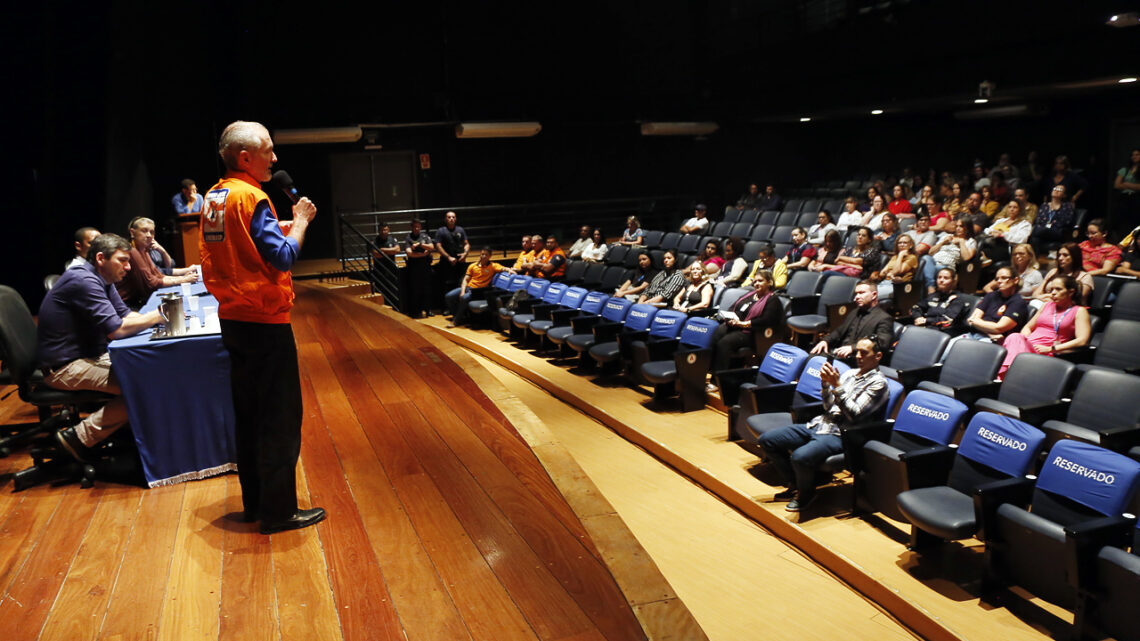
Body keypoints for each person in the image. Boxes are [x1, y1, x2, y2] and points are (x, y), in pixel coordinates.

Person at [199, 120, 325, 535]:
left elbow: (241, 248)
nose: (275, 158)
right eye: (268, 150)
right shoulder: (253, 197)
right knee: (279, 418)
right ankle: (278, 513)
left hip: (232, 318)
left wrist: (279, 230)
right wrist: (301, 221)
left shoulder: (215, 196)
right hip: (265, 322)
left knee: (249, 415)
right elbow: (283, 259)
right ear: (245, 157)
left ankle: (254, 503)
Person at [38, 233, 165, 460]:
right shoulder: (83, 281)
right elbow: (117, 330)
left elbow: (125, 315)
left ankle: (127, 431)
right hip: (63, 367)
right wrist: (159, 316)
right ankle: (76, 438)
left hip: (89, 356)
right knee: (145, 387)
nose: (128, 267)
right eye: (122, 260)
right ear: (100, 258)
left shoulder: (102, 278)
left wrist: (154, 318)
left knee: (153, 374)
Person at [759, 337, 888, 512]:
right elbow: (829, 406)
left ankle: (806, 494)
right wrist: (826, 385)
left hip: (841, 434)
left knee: (799, 457)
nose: (858, 356)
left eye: (864, 353)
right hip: (819, 424)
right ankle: (796, 485)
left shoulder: (879, 383)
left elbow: (854, 414)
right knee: (767, 440)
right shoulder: (850, 374)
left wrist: (837, 386)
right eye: (857, 351)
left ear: (878, 356)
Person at [998, 275, 1090, 377]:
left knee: (1014, 338)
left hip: (1048, 352)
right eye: (1052, 289)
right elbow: (1028, 328)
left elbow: (1082, 340)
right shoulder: (1046, 305)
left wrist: (1052, 348)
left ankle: (1009, 376)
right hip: (1028, 347)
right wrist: (1025, 342)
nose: (1053, 293)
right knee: (1015, 337)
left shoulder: (1079, 311)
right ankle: (1013, 375)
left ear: (1071, 292)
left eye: (1058, 289)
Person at [709, 269, 783, 377]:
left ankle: (719, 378)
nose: (756, 283)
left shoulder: (772, 300)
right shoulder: (749, 295)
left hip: (753, 333)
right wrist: (730, 318)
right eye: (755, 281)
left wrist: (743, 324)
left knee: (724, 343)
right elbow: (732, 307)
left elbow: (766, 321)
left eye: (760, 281)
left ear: (770, 282)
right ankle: (709, 370)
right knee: (716, 333)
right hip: (737, 326)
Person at [116, 216, 199, 308]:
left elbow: (158, 275)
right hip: (127, 305)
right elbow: (151, 283)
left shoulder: (144, 250)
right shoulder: (132, 251)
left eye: (152, 232)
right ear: (132, 232)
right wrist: (183, 280)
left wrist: (183, 278)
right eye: (144, 231)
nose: (149, 235)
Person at [811, 280, 894, 357]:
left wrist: (853, 348)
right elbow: (839, 331)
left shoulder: (884, 318)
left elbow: (882, 344)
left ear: (874, 295)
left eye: (861, 293)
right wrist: (825, 340)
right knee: (811, 356)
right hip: (839, 352)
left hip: (858, 357)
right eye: (856, 293)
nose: (857, 297)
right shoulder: (855, 311)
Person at [960, 266, 1028, 343]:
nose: (999, 281)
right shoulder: (991, 295)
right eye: (997, 279)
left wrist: (976, 323)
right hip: (973, 334)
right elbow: (971, 319)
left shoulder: (1018, 302)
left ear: (1015, 280)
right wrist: (990, 332)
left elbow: (998, 328)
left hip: (992, 342)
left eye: (1004, 278)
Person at [446, 247, 510, 327]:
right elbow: (465, 280)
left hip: (478, 291)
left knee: (465, 298)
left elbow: (503, 268)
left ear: (490, 256)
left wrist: (509, 270)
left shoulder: (493, 266)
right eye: (482, 254)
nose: (483, 256)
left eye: (486, 255)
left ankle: (456, 321)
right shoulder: (472, 266)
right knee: (449, 296)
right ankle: (460, 316)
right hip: (468, 288)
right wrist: (462, 291)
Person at [1029, 242, 1093, 309]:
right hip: (1047, 304)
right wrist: (1045, 298)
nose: (1060, 258)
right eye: (1059, 255)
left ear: (1075, 257)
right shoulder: (1053, 272)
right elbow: (1035, 295)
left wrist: (1048, 297)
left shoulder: (1085, 277)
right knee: (1034, 303)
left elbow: (1076, 300)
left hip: (1070, 310)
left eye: (1065, 255)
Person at [911, 267, 969, 334]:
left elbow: (947, 321)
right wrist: (918, 317)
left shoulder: (957, 299)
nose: (941, 280)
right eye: (939, 277)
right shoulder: (933, 296)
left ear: (953, 281)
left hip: (941, 332)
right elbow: (915, 307)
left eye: (946, 278)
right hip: (924, 327)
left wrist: (926, 320)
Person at [434, 211, 470, 306]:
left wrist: (465, 254)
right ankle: (447, 308)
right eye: (449, 217)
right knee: (447, 285)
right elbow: (438, 246)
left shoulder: (460, 230)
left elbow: (467, 244)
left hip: (460, 262)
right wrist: (448, 257)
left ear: (456, 219)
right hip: (446, 263)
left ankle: (460, 306)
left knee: (460, 284)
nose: (451, 219)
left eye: (453, 217)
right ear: (446, 219)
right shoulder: (441, 231)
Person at [402, 219, 435, 317]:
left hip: (426, 267)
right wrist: (423, 254)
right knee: (415, 290)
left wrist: (420, 245)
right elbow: (409, 253)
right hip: (414, 268)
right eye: (414, 227)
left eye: (418, 226)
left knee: (427, 289)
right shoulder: (408, 238)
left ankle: (428, 310)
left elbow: (432, 247)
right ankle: (416, 311)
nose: (416, 228)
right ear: (412, 227)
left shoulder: (425, 236)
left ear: (420, 227)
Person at [1030, 184, 1076, 252]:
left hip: (1057, 231)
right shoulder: (1044, 205)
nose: (1056, 190)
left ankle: (1032, 233)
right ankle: (1035, 260)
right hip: (1042, 232)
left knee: (1037, 231)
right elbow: (1038, 220)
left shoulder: (1067, 206)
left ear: (1064, 195)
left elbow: (1066, 221)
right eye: (1055, 188)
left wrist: (1049, 226)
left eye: (1060, 190)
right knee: (1035, 240)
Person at [877, 233, 918, 300]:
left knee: (869, 296)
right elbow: (882, 273)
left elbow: (897, 272)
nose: (902, 245)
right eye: (899, 243)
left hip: (897, 287)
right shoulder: (894, 257)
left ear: (910, 245)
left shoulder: (912, 258)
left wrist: (900, 255)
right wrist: (889, 273)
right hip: (884, 282)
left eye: (905, 243)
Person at [1113, 149, 1140, 235]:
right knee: (1121, 220)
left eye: (1137, 154)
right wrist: (1134, 186)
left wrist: (1126, 184)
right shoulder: (1125, 169)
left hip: (1136, 197)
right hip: (1124, 197)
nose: (1134, 157)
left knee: (1134, 220)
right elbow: (1117, 185)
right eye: (1133, 155)